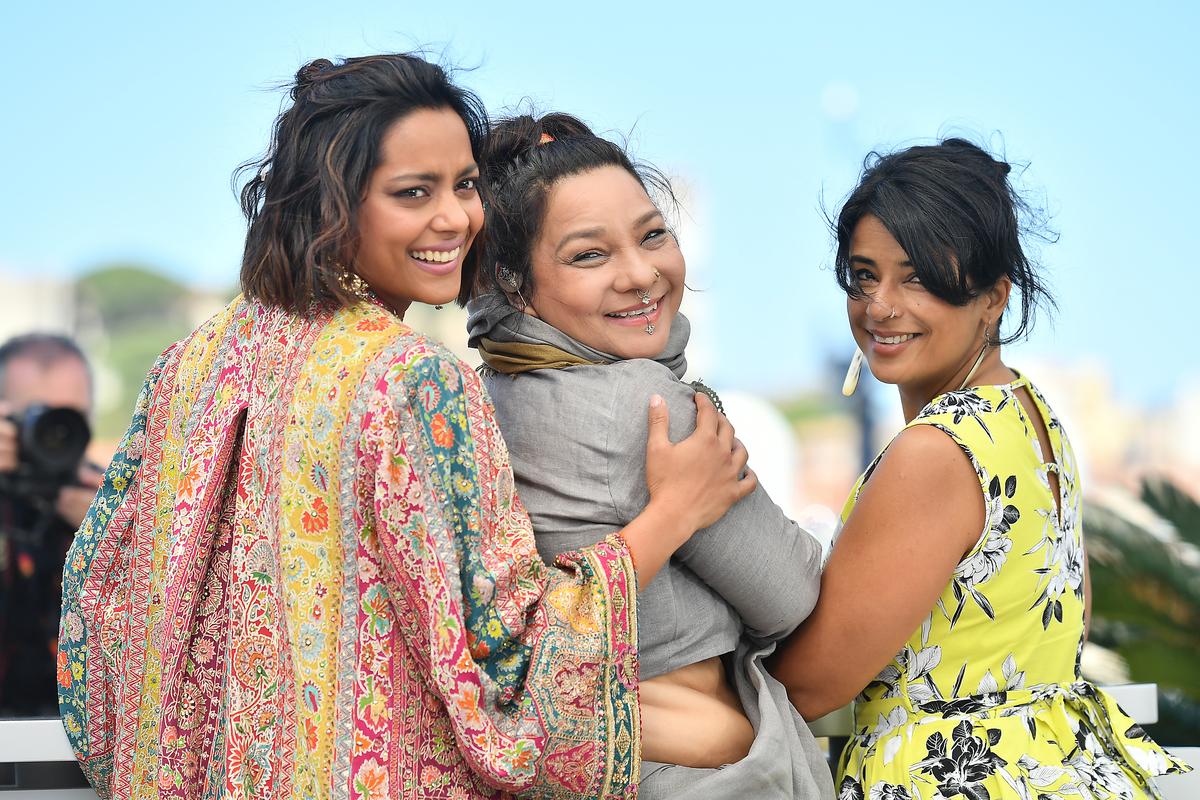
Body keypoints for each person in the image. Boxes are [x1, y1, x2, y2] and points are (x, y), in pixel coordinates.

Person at [57, 54, 755, 799]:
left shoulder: (192, 364)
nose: (455, 218)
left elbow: (93, 612)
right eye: (412, 193)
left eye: (465, 184)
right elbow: (507, 663)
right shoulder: (411, 379)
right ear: (333, 204)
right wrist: (673, 514)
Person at [770, 138, 1190, 799]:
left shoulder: (936, 451)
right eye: (863, 275)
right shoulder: (1031, 415)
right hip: (1056, 769)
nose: (880, 305)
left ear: (993, 297)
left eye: (916, 278)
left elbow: (811, 685)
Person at [465, 113, 831, 799]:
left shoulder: (483, 398)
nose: (641, 274)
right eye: (588, 255)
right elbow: (792, 595)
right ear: (514, 281)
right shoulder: (641, 405)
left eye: (653, 235)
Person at [0, 333, 103, 716]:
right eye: (38, 417)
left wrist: (112, 537)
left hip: (80, 751)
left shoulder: (112, 500)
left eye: (70, 418)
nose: (54, 435)